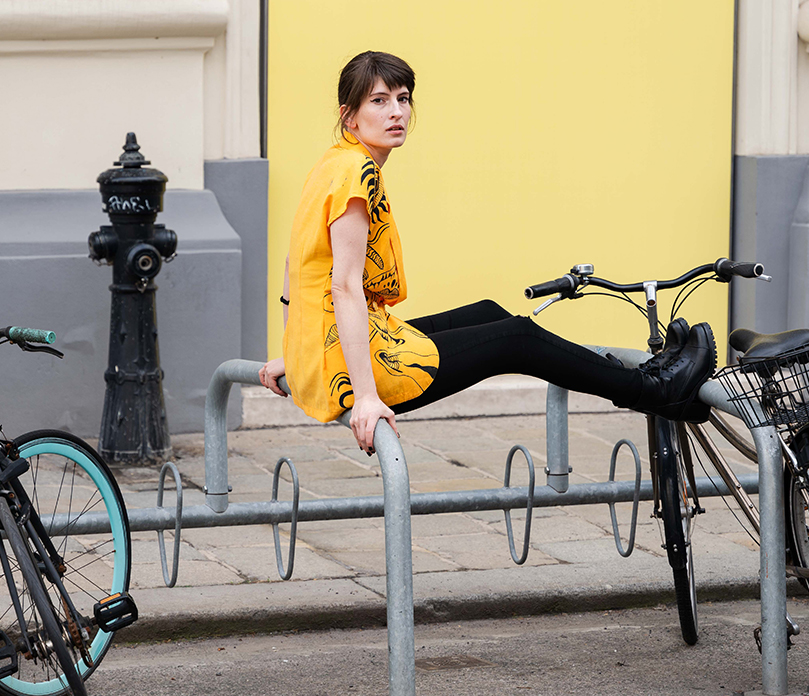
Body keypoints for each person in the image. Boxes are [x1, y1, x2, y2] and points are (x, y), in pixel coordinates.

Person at [260, 51, 715, 455]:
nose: (396, 112)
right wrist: (365, 398)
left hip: (330, 347)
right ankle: (654, 388)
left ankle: (642, 372)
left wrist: (297, 354)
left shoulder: (333, 162)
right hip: (358, 365)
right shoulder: (357, 175)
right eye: (378, 101)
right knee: (517, 339)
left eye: (403, 98)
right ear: (350, 116)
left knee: (489, 312)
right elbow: (342, 286)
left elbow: (293, 265)